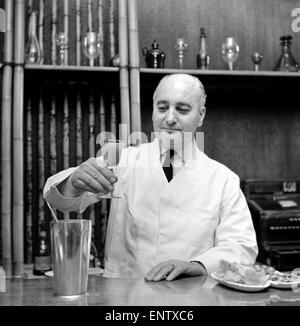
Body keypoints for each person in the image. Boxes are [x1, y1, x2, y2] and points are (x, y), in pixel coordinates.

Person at [44, 73, 258, 281]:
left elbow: (241, 245)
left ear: (200, 115)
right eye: (162, 108)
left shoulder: (223, 179)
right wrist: (73, 182)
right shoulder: (123, 160)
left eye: (182, 109)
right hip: (125, 295)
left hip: (191, 297)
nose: (170, 118)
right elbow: (56, 199)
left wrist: (198, 265)